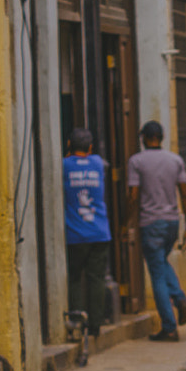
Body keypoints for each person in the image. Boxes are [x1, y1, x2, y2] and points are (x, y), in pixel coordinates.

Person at [126, 121, 186, 342]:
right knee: (161, 262)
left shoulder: (136, 161)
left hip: (151, 222)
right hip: (172, 222)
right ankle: (179, 296)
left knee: (156, 274)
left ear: (145, 138)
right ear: (161, 137)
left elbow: (134, 196)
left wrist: (126, 222)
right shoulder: (176, 160)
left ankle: (169, 326)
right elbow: (185, 193)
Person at [62, 128, 112, 341]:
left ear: (67, 146)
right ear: (91, 148)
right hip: (99, 231)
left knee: (74, 278)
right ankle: (95, 325)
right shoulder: (98, 164)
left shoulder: (64, 166)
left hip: (75, 233)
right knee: (96, 279)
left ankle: (76, 319)